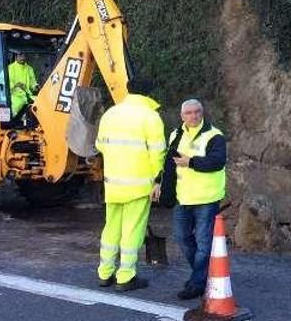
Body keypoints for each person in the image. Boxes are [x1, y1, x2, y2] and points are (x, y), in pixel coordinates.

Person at [95, 78, 166, 292]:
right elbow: (157, 152)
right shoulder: (151, 116)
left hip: (113, 184)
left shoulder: (110, 114)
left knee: (111, 228)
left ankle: (104, 273)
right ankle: (125, 276)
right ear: (149, 95)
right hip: (139, 184)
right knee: (132, 230)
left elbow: (100, 145)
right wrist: (157, 180)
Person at [153, 98, 227, 301]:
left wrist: (191, 162)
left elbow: (217, 162)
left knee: (204, 243)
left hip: (206, 197)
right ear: (182, 116)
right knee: (182, 238)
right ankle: (202, 275)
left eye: (197, 112)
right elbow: (168, 162)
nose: (193, 116)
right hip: (183, 197)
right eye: (189, 113)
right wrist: (159, 181)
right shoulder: (176, 134)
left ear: (202, 113)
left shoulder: (214, 135)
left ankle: (196, 283)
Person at [5, 52, 37, 117]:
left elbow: (33, 83)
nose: (22, 57)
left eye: (23, 55)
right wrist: (16, 85)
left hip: (27, 96)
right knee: (16, 105)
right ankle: (11, 122)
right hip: (14, 96)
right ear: (16, 57)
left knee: (41, 102)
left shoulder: (29, 68)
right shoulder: (9, 68)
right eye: (20, 55)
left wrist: (36, 87)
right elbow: (3, 85)